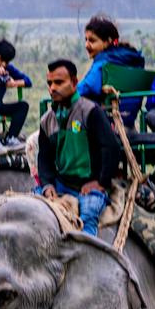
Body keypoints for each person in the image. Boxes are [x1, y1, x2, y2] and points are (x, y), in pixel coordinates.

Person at [35, 59, 120, 236]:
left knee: (88, 214)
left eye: (59, 82)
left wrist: (101, 182)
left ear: (74, 83)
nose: (52, 88)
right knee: (32, 205)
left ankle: (88, 254)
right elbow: (44, 158)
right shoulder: (47, 121)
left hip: (88, 186)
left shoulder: (90, 111)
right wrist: (48, 185)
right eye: (49, 83)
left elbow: (111, 147)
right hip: (62, 184)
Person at [74, 14, 146, 123]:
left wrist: (69, 92)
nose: (86, 45)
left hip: (109, 121)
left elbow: (89, 86)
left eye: (92, 41)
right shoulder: (130, 59)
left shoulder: (104, 60)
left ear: (108, 41)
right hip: (129, 119)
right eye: (86, 40)